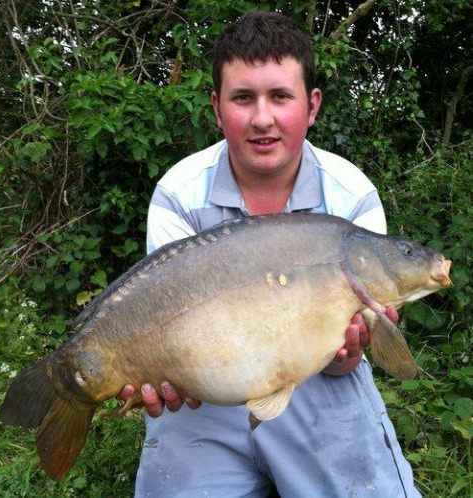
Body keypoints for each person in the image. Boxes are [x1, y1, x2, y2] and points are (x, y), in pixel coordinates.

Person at [121, 10, 421, 497]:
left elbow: (348, 353)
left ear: (312, 105)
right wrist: (162, 369)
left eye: (280, 96)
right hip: (204, 397)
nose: (263, 118)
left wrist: (348, 351)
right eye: (243, 98)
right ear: (217, 108)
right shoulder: (178, 192)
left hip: (316, 383)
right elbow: (162, 326)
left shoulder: (352, 197)